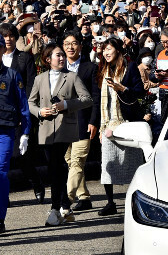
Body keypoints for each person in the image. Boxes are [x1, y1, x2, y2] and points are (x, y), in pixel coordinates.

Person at [28, 44, 92, 226]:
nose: (62, 58)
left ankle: (55, 208)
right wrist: (40, 112)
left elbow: (87, 99)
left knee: (55, 165)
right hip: (46, 129)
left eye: (63, 55)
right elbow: (30, 103)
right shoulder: (39, 79)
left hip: (66, 128)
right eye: (58, 55)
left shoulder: (71, 77)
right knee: (56, 166)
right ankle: (65, 205)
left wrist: (67, 105)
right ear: (48, 59)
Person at [96, 37, 146, 216]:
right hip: (109, 122)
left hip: (127, 121)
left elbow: (140, 92)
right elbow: (100, 100)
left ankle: (136, 200)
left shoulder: (130, 67)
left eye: (109, 49)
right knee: (107, 163)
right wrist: (101, 126)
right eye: (104, 50)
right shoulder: (104, 69)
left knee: (134, 163)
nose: (106, 53)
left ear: (117, 49)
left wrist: (122, 88)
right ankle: (110, 202)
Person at [0, 23, 43, 203]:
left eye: (11, 36)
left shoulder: (24, 57)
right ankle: (3, 196)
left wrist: (21, 112)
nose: (8, 39)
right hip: (4, 115)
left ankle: (37, 183)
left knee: (22, 156)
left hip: (18, 113)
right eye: (5, 36)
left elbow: (30, 85)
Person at [62, 31, 100, 212]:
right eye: (67, 43)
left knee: (77, 160)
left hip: (84, 121)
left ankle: (65, 200)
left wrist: (94, 121)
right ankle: (84, 197)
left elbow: (95, 96)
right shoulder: (58, 69)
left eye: (74, 43)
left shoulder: (90, 67)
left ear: (80, 46)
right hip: (64, 123)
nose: (70, 47)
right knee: (70, 159)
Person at [0, 33, 31, 234]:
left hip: (5, 131)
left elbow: (23, 106)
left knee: (1, 173)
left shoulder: (12, 75)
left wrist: (26, 133)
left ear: (3, 50)